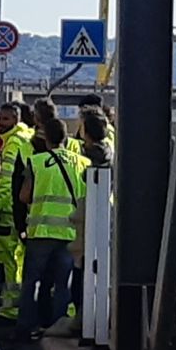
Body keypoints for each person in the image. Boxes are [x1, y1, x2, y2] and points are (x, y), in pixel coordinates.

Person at [17, 118, 89, 342]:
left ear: (45, 138)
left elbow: (24, 196)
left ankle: (26, 326)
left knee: (32, 281)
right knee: (63, 284)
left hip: (41, 231)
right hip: (70, 231)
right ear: (66, 139)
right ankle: (58, 327)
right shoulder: (83, 162)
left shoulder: (37, 161)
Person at [67, 108, 114, 324]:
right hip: (104, 212)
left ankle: (83, 318)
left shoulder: (89, 157)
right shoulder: (110, 151)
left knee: (82, 266)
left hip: (88, 213)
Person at [0, 103, 34, 321]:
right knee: (18, 259)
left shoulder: (13, 143)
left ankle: (10, 308)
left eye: (5, 119)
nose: (0, 124)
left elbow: (6, 181)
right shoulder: (26, 137)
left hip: (6, 211)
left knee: (8, 261)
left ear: (15, 120)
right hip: (20, 210)